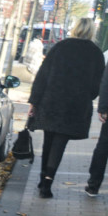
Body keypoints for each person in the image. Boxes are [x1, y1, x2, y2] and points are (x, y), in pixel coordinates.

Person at [28, 17, 105, 199]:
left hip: (51, 102)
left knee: (48, 140)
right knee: (60, 144)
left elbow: (43, 75)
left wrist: (34, 101)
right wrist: (87, 96)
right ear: (91, 32)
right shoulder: (95, 53)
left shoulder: (60, 47)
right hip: (75, 106)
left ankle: (42, 178)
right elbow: (98, 84)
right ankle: (47, 181)